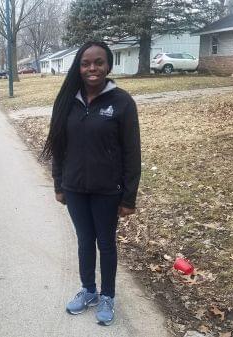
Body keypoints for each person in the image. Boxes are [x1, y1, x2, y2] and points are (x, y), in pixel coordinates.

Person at [41, 41, 141, 326]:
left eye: (98, 62)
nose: (92, 68)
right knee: (85, 241)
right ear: (79, 67)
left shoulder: (122, 102)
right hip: (74, 189)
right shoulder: (67, 101)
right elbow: (59, 147)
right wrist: (59, 184)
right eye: (86, 63)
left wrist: (128, 198)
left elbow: (133, 153)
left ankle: (107, 295)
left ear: (108, 65)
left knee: (106, 243)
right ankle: (89, 291)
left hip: (108, 191)